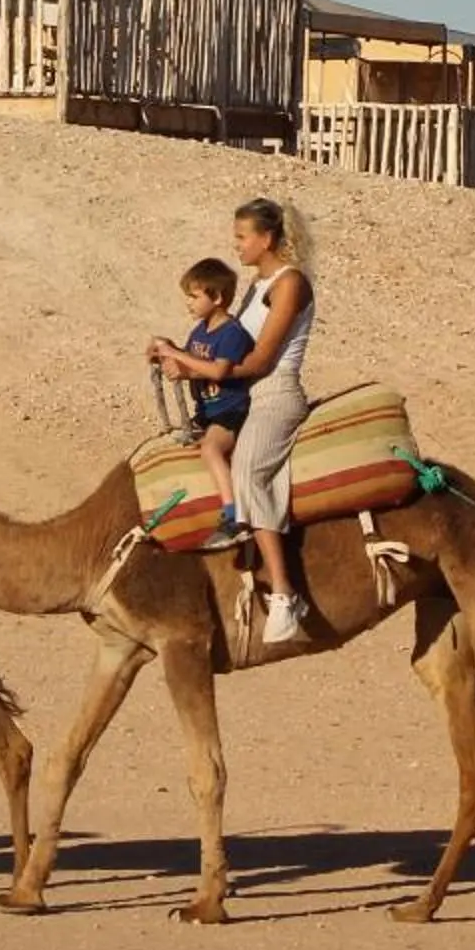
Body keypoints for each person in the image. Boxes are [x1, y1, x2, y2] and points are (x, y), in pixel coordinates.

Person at [152, 197, 317, 642]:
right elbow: (225, 348)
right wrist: (180, 357)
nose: (237, 246)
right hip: (240, 397)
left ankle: (285, 594)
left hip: (274, 395)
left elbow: (261, 361)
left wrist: (190, 364)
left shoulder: (290, 284)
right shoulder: (252, 287)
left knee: (247, 470)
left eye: (243, 238)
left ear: (266, 238)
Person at [167, 256, 257, 531]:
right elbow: (190, 363)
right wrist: (164, 354)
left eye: (194, 296)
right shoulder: (200, 332)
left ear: (216, 297)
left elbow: (218, 372)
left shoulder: (232, 334)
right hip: (206, 412)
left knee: (210, 448)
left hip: (229, 412)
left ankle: (233, 513)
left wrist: (175, 356)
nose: (188, 303)